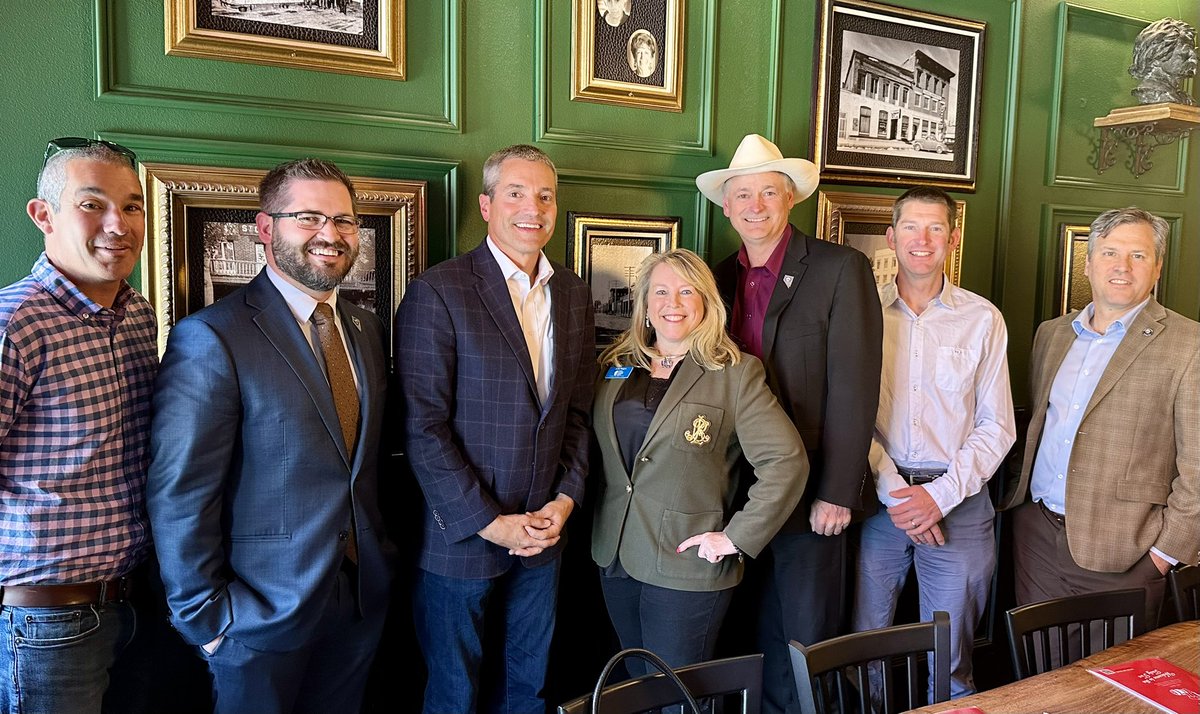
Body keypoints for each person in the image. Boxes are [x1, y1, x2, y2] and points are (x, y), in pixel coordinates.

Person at [148, 158, 394, 714]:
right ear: (266, 228)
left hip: (358, 598)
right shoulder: (212, 336)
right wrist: (208, 622)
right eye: (308, 218)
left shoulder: (365, 328)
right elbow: (180, 491)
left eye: (344, 221)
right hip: (254, 616)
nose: (330, 235)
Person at [395, 144, 594, 714]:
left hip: (543, 537)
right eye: (515, 193)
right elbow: (423, 427)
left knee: (528, 692)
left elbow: (577, 413)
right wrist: (489, 523)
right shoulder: (440, 290)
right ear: (485, 205)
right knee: (454, 697)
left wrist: (565, 499)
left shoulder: (573, 293)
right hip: (461, 540)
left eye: (545, 195)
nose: (532, 207)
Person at [700, 133, 883, 714]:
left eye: (768, 194)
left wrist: (838, 493)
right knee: (744, 631)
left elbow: (856, 387)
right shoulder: (714, 277)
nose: (755, 206)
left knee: (805, 641)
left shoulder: (838, 269)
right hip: (735, 493)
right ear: (726, 207)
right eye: (743, 195)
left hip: (812, 499)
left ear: (791, 199)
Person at [591, 249, 808, 673]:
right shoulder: (616, 365)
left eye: (686, 291)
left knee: (677, 696)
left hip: (686, 563)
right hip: (615, 555)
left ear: (706, 303)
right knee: (638, 688)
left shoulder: (736, 374)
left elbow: (786, 461)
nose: (673, 303)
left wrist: (735, 537)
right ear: (646, 304)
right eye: (661, 292)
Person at [0, 137, 156, 714]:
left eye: (133, 206)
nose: (118, 224)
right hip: (47, 621)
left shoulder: (136, 315)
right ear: (44, 216)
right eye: (92, 204)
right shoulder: (16, 322)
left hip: (137, 605)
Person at [851, 186, 1015, 701]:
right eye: (910, 227)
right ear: (890, 236)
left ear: (953, 238)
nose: (922, 239)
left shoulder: (983, 319)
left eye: (935, 228)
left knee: (951, 659)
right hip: (879, 503)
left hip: (960, 507)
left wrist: (938, 498)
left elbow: (997, 426)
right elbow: (849, 417)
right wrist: (899, 495)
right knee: (865, 648)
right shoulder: (862, 314)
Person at [1002, 207, 1200, 634]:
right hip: (1036, 534)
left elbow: (1199, 467)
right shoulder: (1051, 334)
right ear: (1088, 263)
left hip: (1126, 550)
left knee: (1109, 686)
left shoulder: (1190, 344)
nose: (1122, 267)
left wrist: (1164, 554)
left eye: (1138, 255)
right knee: (1041, 675)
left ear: (1157, 267)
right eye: (1109, 253)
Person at [1129, 17, 1197, 105]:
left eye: (1194, 55)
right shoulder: (1155, 95)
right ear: (1157, 55)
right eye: (1184, 55)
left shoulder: (1183, 98)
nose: (1194, 61)